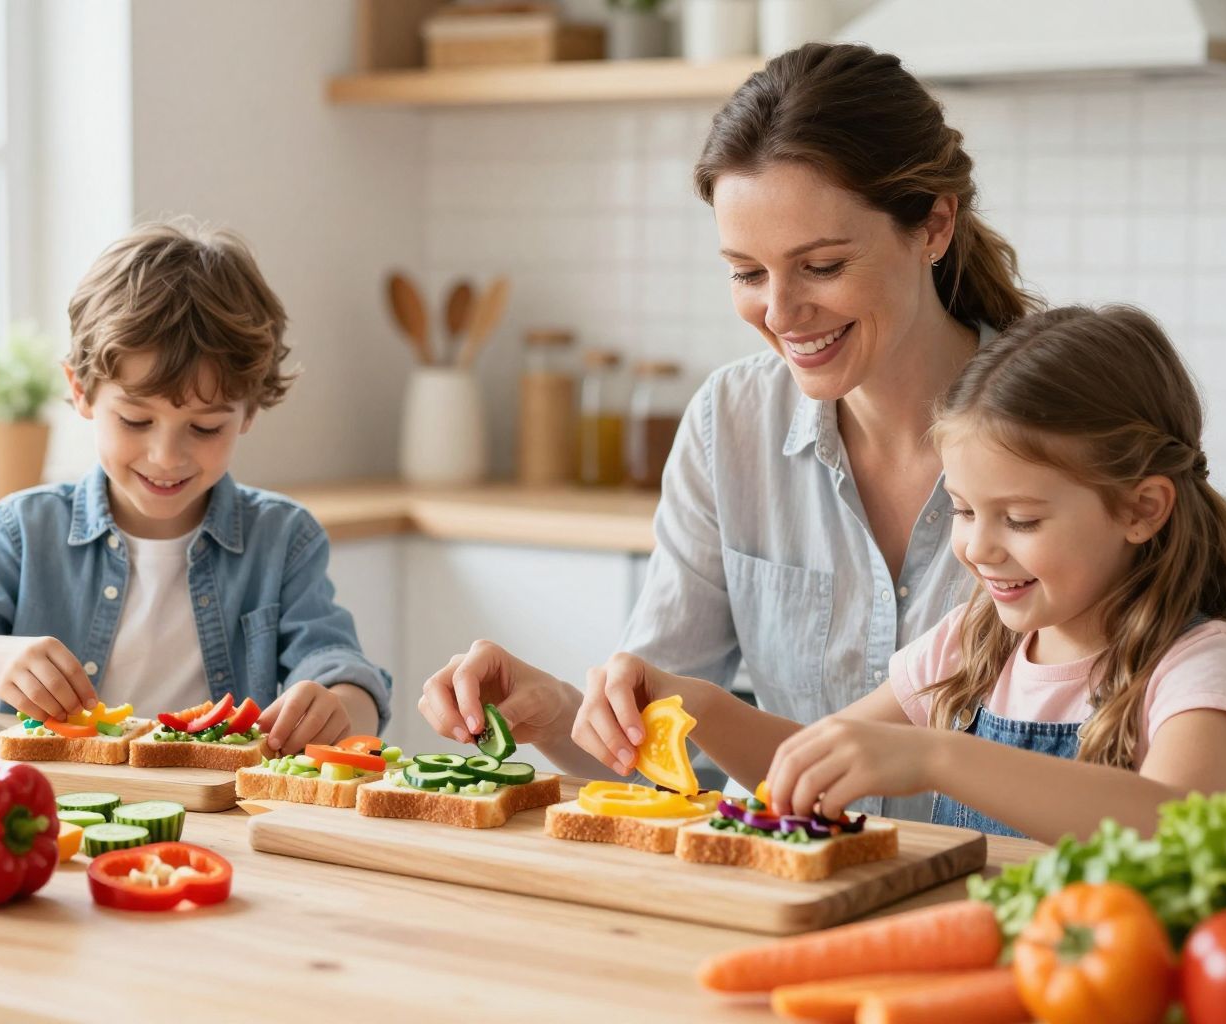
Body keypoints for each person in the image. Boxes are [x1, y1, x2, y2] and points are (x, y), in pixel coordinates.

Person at [420, 42, 1039, 820]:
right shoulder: (732, 425)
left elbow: (1152, 779)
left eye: (821, 266)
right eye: (748, 274)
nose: (779, 315)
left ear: (935, 226)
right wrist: (552, 710)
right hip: (802, 891)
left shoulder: (1066, 426)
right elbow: (664, 751)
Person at [582, 306, 1226, 843]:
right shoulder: (975, 641)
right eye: (961, 510)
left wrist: (938, 756)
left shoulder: (1200, 664)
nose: (978, 549)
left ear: (1141, 509)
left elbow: (1173, 822)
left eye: (1019, 520)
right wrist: (702, 707)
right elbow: (815, 761)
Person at [0, 220, 391, 752]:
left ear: (250, 409)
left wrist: (336, 704)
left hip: (217, 819)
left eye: (206, 428)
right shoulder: (26, 530)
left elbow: (347, 679)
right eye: (136, 421)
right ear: (81, 391)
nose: (166, 456)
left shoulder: (282, 538)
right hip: (59, 811)